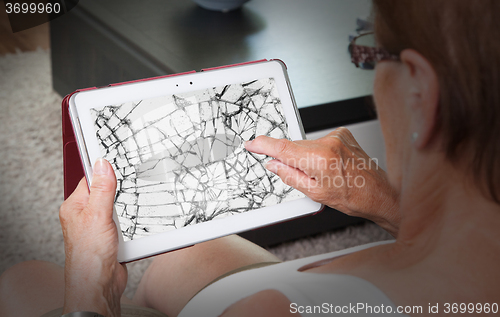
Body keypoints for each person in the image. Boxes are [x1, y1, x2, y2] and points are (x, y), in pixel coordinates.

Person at [2, 0, 500, 316]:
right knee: (183, 252)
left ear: (419, 94)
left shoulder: (266, 310)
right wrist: (388, 204)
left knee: (23, 281)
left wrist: (89, 293)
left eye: (369, 52)